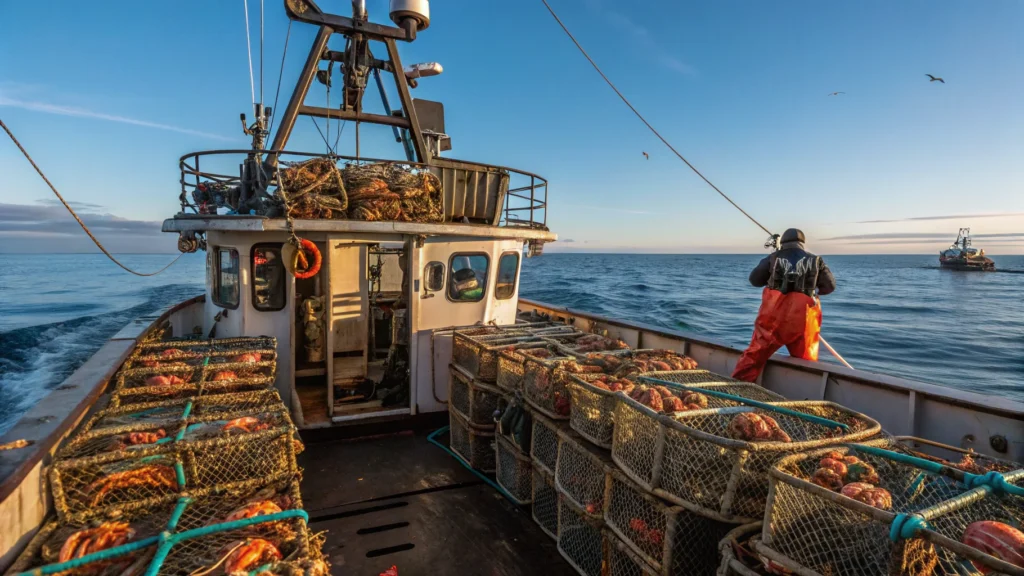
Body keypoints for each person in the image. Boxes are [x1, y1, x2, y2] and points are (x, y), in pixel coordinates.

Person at [732, 228, 836, 383]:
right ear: (802, 243)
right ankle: (803, 394)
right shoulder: (816, 260)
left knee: (755, 355)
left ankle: (738, 388)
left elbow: (754, 280)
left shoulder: (772, 258)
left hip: (772, 320)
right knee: (806, 361)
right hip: (803, 321)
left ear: (783, 242)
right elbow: (829, 287)